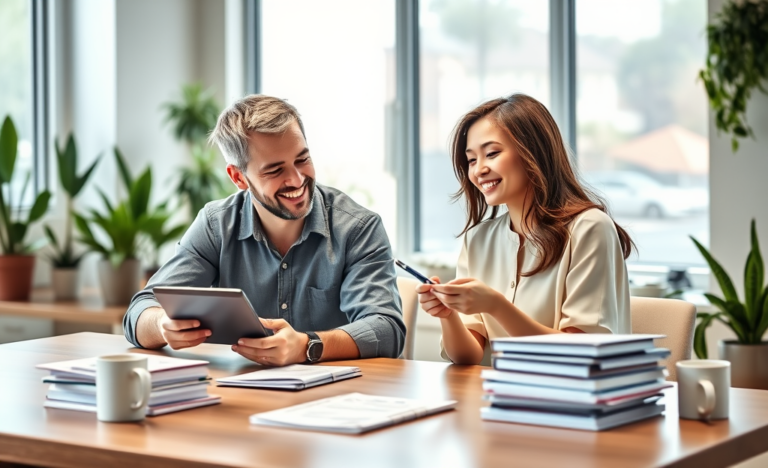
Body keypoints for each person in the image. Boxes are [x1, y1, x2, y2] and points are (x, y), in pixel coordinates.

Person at [124, 94, 405, 366]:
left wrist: (308, 346)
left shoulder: (358, 227)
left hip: (341, 399)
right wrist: (162, 325)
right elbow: (139, 311)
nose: (296, 179)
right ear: (238, 177)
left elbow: (387, 330)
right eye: (275, 170)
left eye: (302, 159)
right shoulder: (215, 225)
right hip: (242, 396)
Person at [417, 94, 633, 366]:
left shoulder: (589, 228)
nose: (479, 170)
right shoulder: (477, 240)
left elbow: (580, 354)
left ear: (533, 152)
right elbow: (467, 356)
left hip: (574, 401)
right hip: (499, 397)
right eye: (471, 160)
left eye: (492, 153)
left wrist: (496, 305)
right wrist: (447, 315)